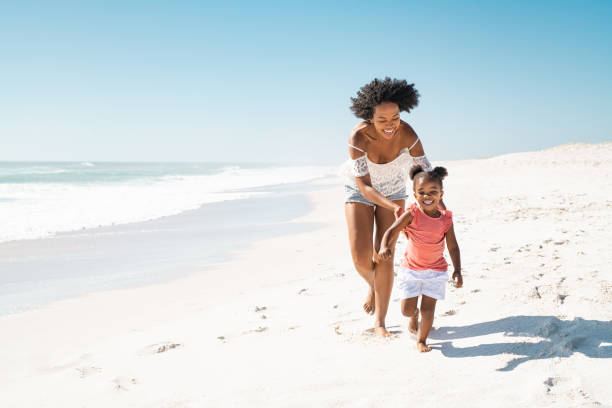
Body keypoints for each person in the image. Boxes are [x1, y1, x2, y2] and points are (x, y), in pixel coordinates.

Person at [342, 77, 434, 337]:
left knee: (385, 254)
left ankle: (380, 322)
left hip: (394, 188)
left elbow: (424, 174)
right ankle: (374, 285)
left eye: (394, 117)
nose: (390, 125)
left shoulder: (407, 132)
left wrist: (434, 207)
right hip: (361, 190)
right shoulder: (358, 137)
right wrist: (393, 207)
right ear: (369, 117)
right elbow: (364, 188)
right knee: (361, 257)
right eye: (382, 120)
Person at [377, 165, 463, 352]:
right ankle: (413, 315)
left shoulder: (445, 219)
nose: (427, 196)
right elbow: (392, 230)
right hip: (411, 270)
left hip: (435, 271)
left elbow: (453, 246)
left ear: (441, 194)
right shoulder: (412, 214)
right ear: (415, 195)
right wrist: (384, 246)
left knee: (428, 310)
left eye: (433, 192)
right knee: (406, 310)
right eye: (421, 192)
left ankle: (422, 340)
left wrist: (457, 269)